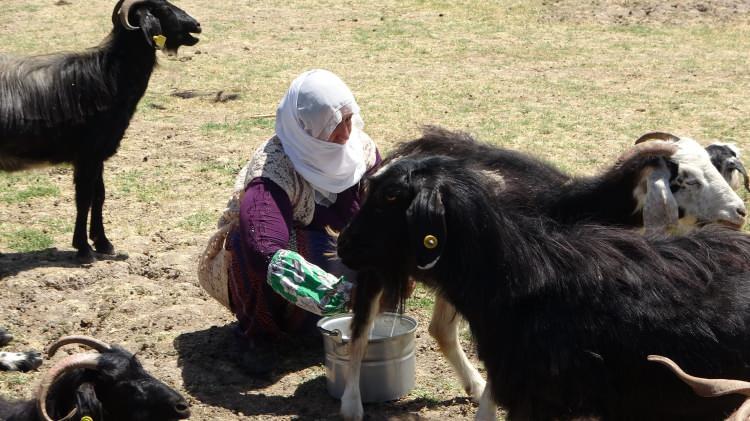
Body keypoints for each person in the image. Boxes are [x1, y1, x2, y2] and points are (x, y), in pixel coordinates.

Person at [198, 69, 380, 373]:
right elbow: (264, 249)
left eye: (349, 120)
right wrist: (336, 294)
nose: (346, 133)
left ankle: (328, 324)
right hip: (273, 274)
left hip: (334, 264)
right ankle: (260, 336)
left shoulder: (360, 151)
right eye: (335, 126)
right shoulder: (275, 170)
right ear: (307, 129)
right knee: (249, 242)